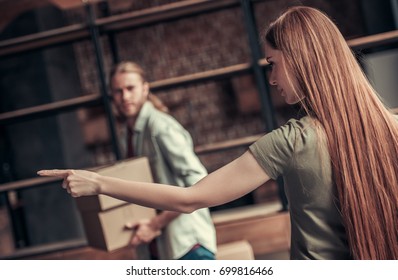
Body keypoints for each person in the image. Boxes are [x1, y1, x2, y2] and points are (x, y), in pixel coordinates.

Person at [38, 6, 398, 260]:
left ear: (301, 58)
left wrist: (99, 183)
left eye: (273, 65)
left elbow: (190, 197)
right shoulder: (392, 126)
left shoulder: (291, 141)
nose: (271, 80)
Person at [106, 61, 217, 260]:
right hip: (160, 249)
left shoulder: (160, 127)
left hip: (188, 246)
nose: (125, 97)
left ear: (145, 88)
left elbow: (198, 182)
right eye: (117, 91)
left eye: (130, 88)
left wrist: (155, 224)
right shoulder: (129, 134)